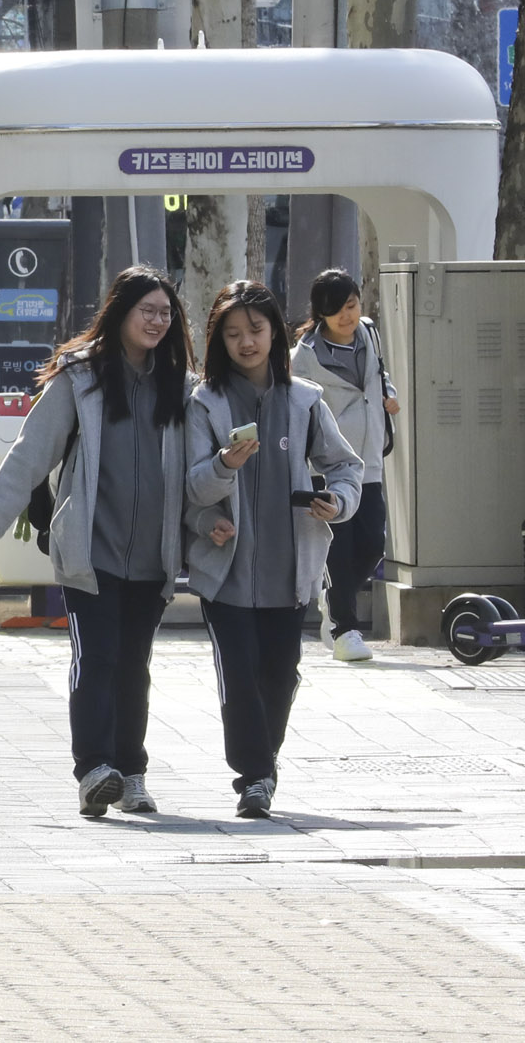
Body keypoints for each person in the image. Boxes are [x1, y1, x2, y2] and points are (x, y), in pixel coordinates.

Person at [0, 266, 196, 818]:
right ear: (121, 313)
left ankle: (132, 773)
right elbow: (28, 454)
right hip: (89, 549)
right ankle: (94, 770)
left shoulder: (183, 385)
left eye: (166, 313)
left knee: (133, 665)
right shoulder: (80, 378)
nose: (158, 322)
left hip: (152, 554)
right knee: (96, 658)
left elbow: (202, 466)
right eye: (148, 311)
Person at [186, 280, 361, 819]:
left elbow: (347, 467)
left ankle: (265, 760)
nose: (246, 342)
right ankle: (255, 776)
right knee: (239, 675)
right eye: (233, 333)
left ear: (275, 332)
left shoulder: (305, 401)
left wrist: (338, 500)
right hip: (226, 572)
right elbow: (191, 488)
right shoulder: (204, 404)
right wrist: (224, 469)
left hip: (292, 573)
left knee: (279, 674)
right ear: (219, 341)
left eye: (256, 330)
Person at [289, 269, 399, 663]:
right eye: (337, 310)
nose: (347, 316)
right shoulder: (303, 359)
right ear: (321, 313)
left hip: (369, 461)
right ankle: (344, 629)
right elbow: (299, 409)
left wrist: (388, 394)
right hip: (330, 467)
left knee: (371, 545)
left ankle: (332, 598)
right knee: (340, 547)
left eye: (351, 305)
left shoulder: (369, 333)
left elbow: (380, 376)